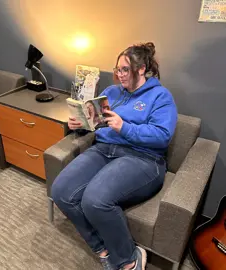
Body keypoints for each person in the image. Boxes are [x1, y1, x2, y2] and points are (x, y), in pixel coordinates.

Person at [51, 42, 178, 270]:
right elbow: (96, 124)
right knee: (60, 191)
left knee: (94, 200)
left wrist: (124, 127)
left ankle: (129, 258)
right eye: (117, 69)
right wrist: (80, 124)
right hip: (104, 150)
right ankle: (102, 248)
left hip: (143, 158)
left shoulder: (160, 96)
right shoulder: (111, 92)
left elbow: (163, 136)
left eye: (124, 70)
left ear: (141, 69)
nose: (119, 75)